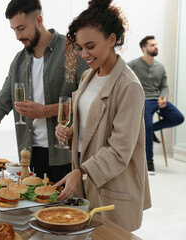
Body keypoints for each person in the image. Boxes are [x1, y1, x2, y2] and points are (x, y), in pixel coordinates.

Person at [0, 0, 88, 183]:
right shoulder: (19, 62)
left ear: (39, 20)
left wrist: (45, 111)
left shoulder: (72, 50)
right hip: (33, 155)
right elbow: (0, 105)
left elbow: (89, 100)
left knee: (67, 211)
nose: (17, 36)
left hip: (68, 154)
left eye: (21, 28)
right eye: (13, 29)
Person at [54, 0, 151, 231]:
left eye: (90, 46)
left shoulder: (129, 86)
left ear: (111, 39)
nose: (84, 54)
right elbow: (91, 126)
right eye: (79, 47)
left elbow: (120, 150)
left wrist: (81, 172)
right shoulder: (89, 77)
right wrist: (70, 133)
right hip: (87, 183)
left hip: (113, 188)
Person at [128, 36, 184, 174]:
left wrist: (164, 97)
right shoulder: (134, 64)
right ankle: (149, 161)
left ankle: (151, 130)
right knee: (146, 125)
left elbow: (164, 86)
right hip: (144, 100)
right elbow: (122, 75)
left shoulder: (160, 67)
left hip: (158, 100)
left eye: (156, 44)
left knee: (178, 117)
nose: (156, 47)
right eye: (152, 45)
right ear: (144, 48)